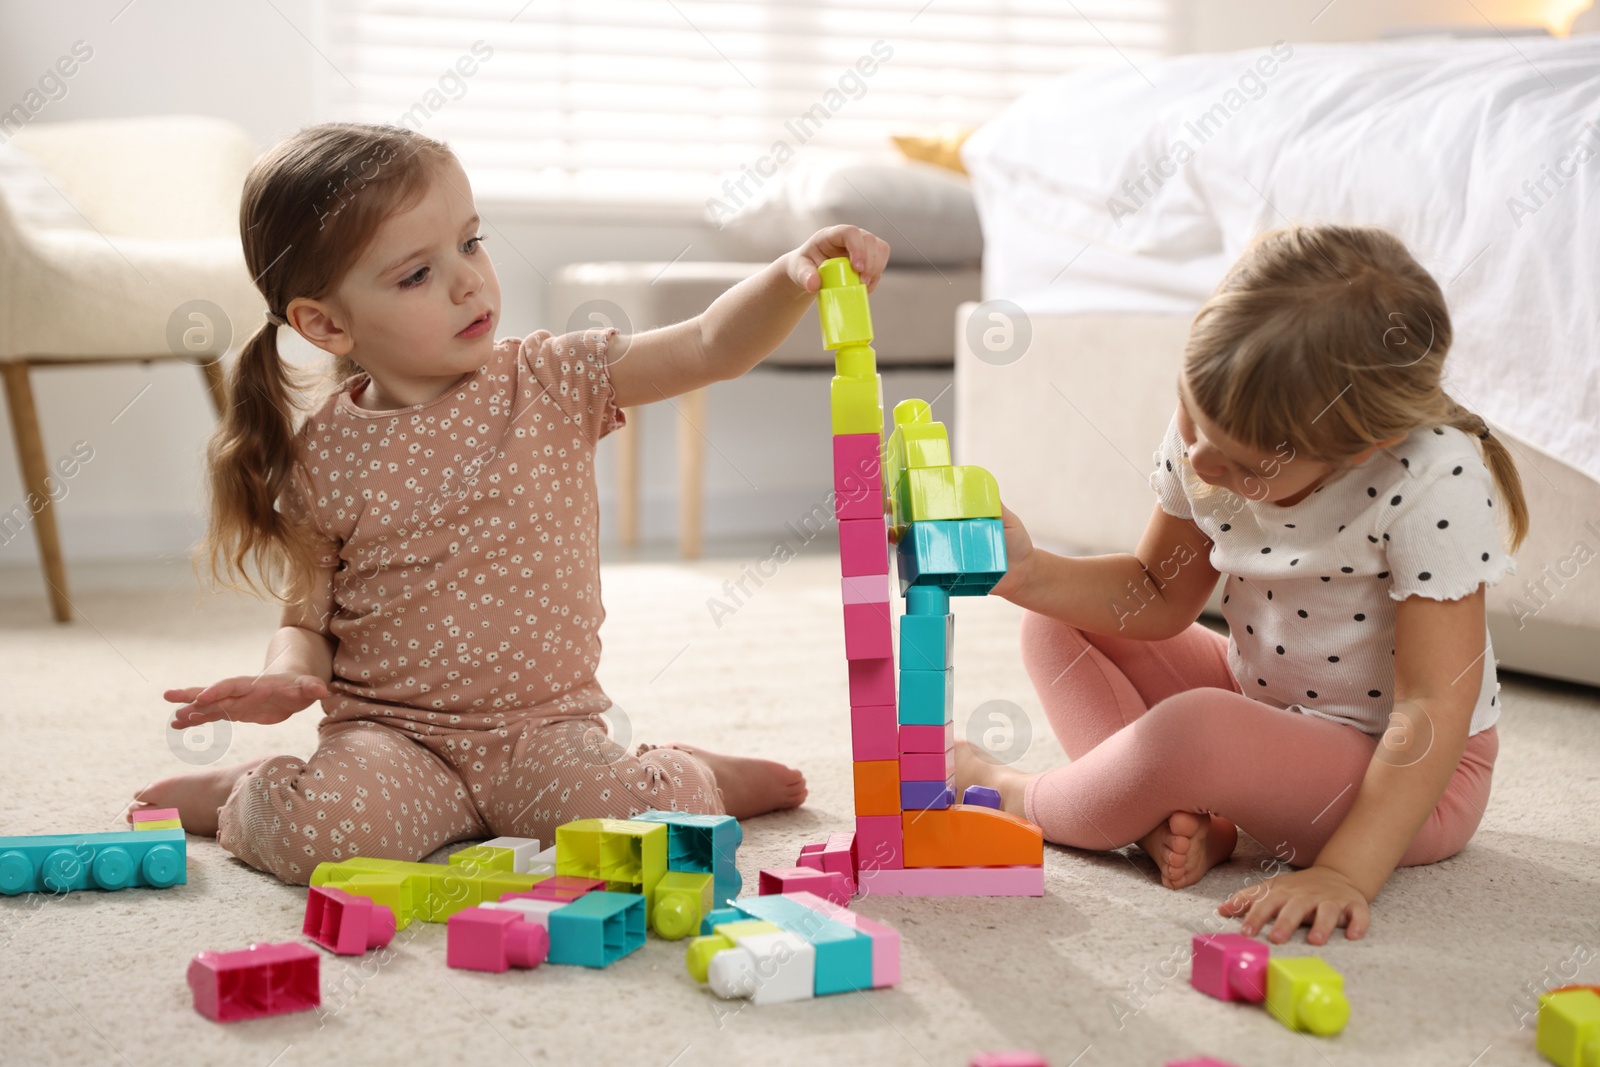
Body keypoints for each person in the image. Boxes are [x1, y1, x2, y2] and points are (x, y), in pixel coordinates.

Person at [131, 122, 889, 884]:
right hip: (394, 738)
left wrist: (790, 275)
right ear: (326, 323)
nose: (469, 281)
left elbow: (707, 345)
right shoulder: (324, 455)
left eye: (470, 242)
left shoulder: (553, 378)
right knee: (315, 839)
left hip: (546, 733)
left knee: (653, 830)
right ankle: (243, 790)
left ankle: (692, 770)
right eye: (415, 274)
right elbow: (307, 619)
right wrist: (285, 677)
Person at [957, 223, 1527, 944]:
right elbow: (1153, 593)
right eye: (1191, 417)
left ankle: (1020, 797)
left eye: (1241, 462)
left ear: (1361, 448)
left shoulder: (1431, 480)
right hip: (1263, 697)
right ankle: (1173, 817)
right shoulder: (1215, 432)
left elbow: (1430, 709)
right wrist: (1032, 573)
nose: (1199, 458)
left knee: (1196, 730)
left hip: (1411, 779)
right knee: (1054, 623)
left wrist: (1345, 872)